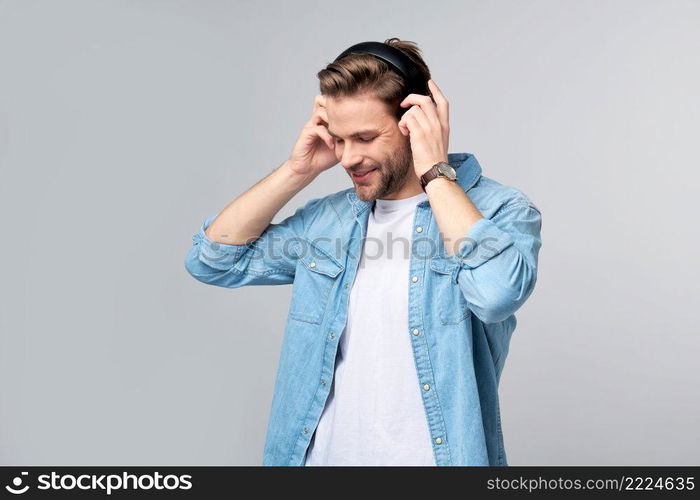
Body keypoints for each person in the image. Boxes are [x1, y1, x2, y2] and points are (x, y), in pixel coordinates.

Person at [184, 37, 543, 466]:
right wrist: (296, 172)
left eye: (366, 137)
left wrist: (435, 171)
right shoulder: (330, 222)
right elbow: (213, 261)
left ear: (416, 121)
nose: (348, 158)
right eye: (340, 139)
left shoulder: (497, 209)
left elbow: (497, 293)